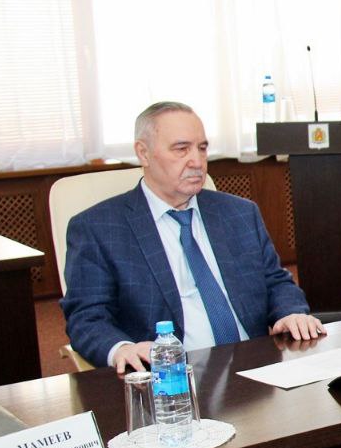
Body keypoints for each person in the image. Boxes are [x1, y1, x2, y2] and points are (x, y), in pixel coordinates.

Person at [61, 101, 325, 372]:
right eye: (181, 149)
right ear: (144, 153)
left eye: (202, 148)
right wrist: (121, 348)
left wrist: (290, 313)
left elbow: (275, 281)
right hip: (171, 379)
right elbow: (87, 317)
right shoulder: (99, 228)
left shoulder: (239, 213)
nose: (197, 162)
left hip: (258, 369)